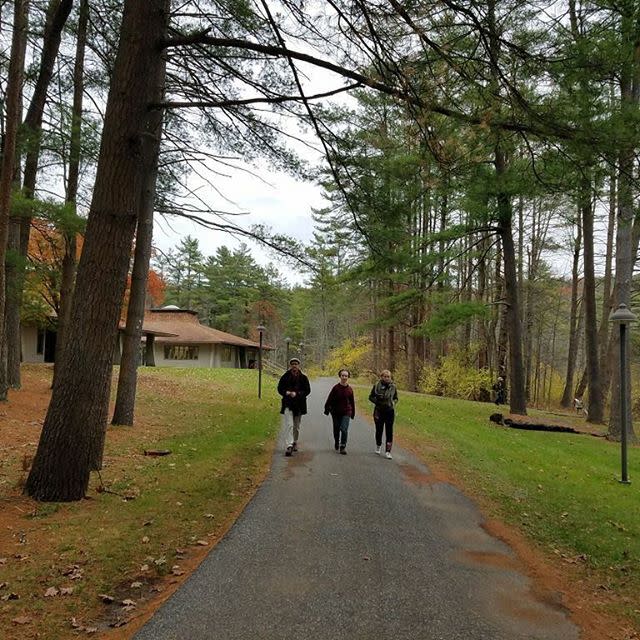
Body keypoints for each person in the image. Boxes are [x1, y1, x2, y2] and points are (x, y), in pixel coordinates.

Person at [277, 357, 311, 456]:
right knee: (289, 425)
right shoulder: (285, 377)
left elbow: (307, 390)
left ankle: (295, 441)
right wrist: (286, 392)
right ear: (290, 365)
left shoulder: (303, 378)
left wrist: (298, 394)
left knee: (296, 426)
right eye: (292, 364)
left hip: (299, 405)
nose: (294, 366)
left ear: (298, 365)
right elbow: (279, 389)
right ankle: (289, 445)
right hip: (288, 404)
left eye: (296, 364)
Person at [323, 369, 356, 455]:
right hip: (336, 411)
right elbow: (329, 399)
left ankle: (343, 446)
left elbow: (352, 402)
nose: (344, 377)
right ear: (340, 376)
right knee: (336, 429)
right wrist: (327, 409)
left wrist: (352, 413)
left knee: (344, 429)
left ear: (348, 377)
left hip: (346, 412)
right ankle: (337, 441)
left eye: (346, 376)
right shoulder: (336, 388)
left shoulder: (350, 389)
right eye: (343, 375)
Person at [368, 369, 398, 459]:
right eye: (385, 376)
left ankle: (388, 451)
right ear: (381, 377)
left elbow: (396, 398)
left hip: (389, 411)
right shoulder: (377, 386)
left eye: (388, 376)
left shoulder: (393, 387)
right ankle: (378, 445)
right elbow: (370, 397)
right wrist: (377, 402)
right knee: (379, 429)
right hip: (379, 411)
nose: (386, 378)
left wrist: (393, 403)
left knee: (389, 431)